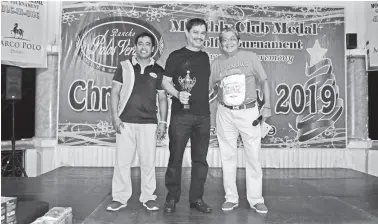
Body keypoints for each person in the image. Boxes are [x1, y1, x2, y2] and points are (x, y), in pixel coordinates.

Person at [209, 27, 271, 213]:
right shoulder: (217, 63)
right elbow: (211, 87)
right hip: (225, 112)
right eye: (224, 40)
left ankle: (256, 199)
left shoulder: (251, 57)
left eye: (232, 39)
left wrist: (267, 105)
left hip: (249, 112)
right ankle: (231, 197)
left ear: (239, 41)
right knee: (227, 156)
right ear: (220, 44)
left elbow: (264, 81)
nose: (228, 42)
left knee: (253, 156)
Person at [107, 32, 168, 212]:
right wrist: (115, 117)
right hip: (125, 122)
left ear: (152, 48)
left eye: (147, 44)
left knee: (148, 162)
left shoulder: (158, 70)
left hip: (149, 123)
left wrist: (163, 122)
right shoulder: (124, 66)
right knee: (122, 163)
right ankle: (119, 198)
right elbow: (115, 93)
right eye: (140, 43)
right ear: (135, 46)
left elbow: (163, 99)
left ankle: (148, 197)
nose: (143, 47)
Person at [161, 18, 212, 213]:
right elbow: (165, 82)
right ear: (187, 33)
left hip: (203, 117)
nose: (199, 36)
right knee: (175, 158)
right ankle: (172, 197)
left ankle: (196, 199)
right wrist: (177, 93)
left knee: (200, 160)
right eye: (196, 32)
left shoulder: (206, 57)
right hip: (180, 116)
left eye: (203, 33)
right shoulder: (175, 56)